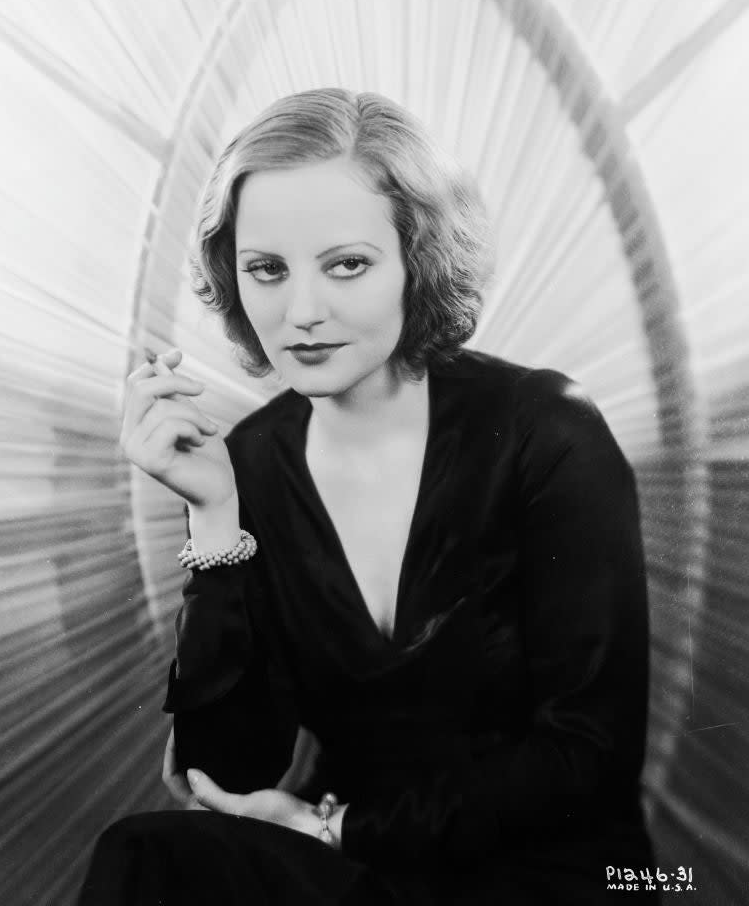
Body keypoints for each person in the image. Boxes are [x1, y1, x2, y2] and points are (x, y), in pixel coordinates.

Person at [78, 88, 658, 904]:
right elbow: (227, 773)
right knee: (148, 855)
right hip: (362, 880)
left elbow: (587, 752)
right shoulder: (251, 460)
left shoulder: (543, 428)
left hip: (556, 879)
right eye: (267, 270)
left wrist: (336, 829)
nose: (302, 313)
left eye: (346, 264)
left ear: (415, 261)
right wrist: (214, 519)